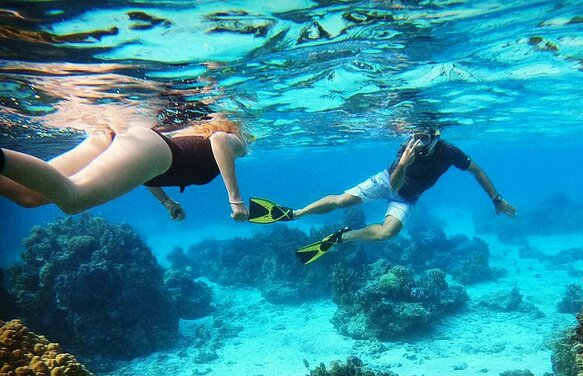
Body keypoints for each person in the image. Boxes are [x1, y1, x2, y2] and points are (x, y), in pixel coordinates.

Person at [247, 128, 516, 264]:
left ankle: (340, 236)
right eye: (415, 137)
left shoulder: (450, 152)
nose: (418, 143)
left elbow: (477, 170)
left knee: (388, 233)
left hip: (407, 198)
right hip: (387, 180)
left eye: (424, 138)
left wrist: (496, 198)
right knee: (343, 200)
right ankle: (293, 213)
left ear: (436, 137)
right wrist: (404, 163)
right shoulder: (406, 151)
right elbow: (395, 184)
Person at [0, 119, 252, 221]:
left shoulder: (192, 138)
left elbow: (143, 169)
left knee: (28, 196)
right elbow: (219, 140)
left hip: (139, 146)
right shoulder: (237, 143)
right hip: (156, 149)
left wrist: (165, 201)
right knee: (73, 200)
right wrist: (236, 201)